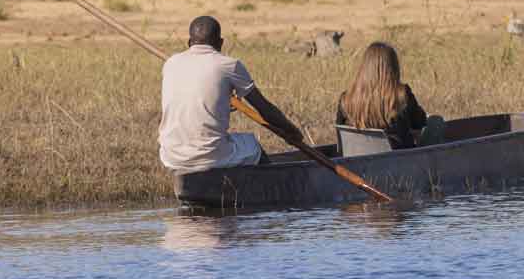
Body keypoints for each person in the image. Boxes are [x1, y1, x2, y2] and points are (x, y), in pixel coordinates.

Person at [159, 15, 305, 172]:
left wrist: (222, 99)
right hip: (207, 155)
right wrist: (292, 132)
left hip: (171, 155)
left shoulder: (171, 63)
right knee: (253, 146)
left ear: (189, 43)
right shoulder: (229, 65)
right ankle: (271, 188)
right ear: (221, 43)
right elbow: (264, 108)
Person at [336, 41, 444, 149]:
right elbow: (420, 122)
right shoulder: (402, 94)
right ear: (393, 68)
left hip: (356, 160)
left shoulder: (345, 99)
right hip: (401, 160)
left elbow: (340, 133)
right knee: (436, 121)